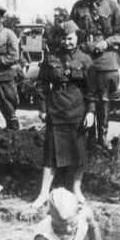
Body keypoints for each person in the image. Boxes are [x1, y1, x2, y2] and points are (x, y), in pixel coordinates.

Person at [32, 21, 96, 208]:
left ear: (77, 38)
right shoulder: (51, 58)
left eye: (70, 38)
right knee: (50, 155)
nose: (67, 42)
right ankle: (44, 192)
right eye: (63, 38)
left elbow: (92, 90)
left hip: (78, 110)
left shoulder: (85, 60)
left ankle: (76, 189)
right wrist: (42, 109)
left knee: (78, 153)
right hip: (56, 110)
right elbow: (41, 85)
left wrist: (91, 111)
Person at [69, 0, 120, 150]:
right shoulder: (79, 6)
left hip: (104, 57)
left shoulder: (112, 6)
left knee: (103, 99)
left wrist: (108, 42)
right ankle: (88, 137)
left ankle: (102, 136)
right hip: (85, 55)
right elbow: (71, 31)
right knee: (86, 96)